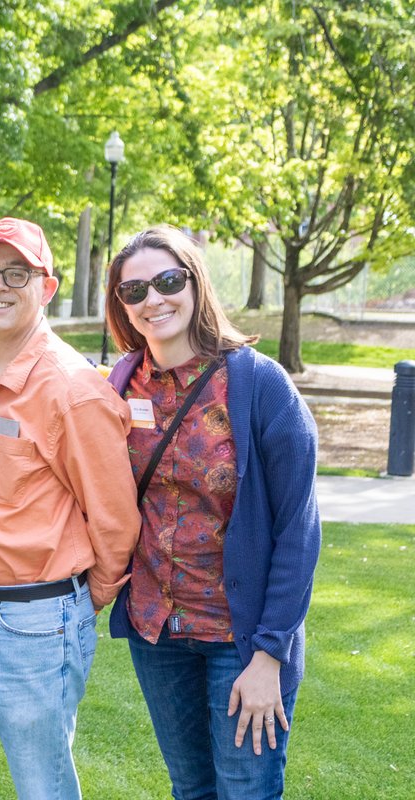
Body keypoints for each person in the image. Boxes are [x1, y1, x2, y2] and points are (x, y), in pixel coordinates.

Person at [0, 217, 140, 799]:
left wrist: (73, 606)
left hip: (31, 624)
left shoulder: (73, 389)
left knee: (43, 788)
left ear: (48, 287)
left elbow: (115, 523)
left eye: (18, 272)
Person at [104, 225, 320, 799]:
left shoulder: (260, 386)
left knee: (246, 792)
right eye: (135, 291)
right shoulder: (118, 388)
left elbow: (297, 531)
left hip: (241, 641)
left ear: (195, 284)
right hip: (159, 632)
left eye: (168, 281)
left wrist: (270, 655)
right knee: (190, 791)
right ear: (121, 305)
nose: (154, 299)